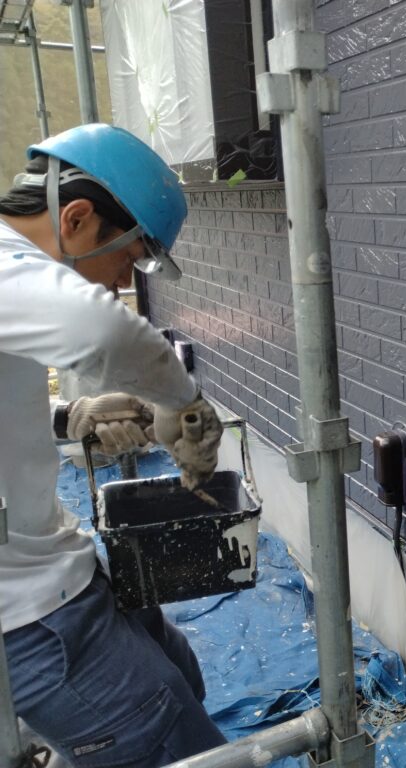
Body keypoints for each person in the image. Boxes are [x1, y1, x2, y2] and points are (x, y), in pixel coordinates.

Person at [0, 124, 227, 766]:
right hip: (29, 616)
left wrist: (69, 417)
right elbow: (105, 332)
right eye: (127, 259)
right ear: (75, 219)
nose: (123, 282)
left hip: (56, 574)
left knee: (181, 675)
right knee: (170, 743)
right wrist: (185, 407)